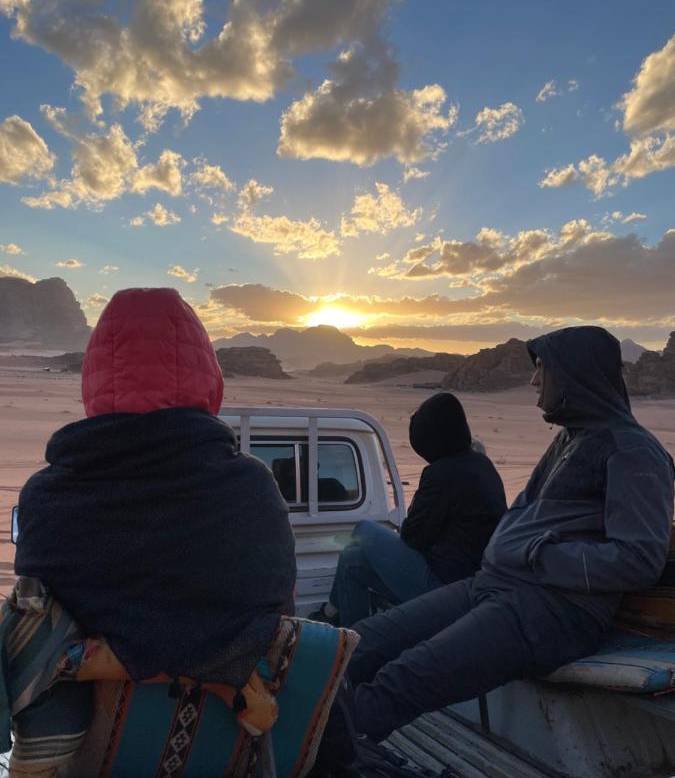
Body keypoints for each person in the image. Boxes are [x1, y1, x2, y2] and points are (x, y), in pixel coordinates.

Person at [348, 326, 675, 742]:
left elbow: (639, 559)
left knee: (402, 680)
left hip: (553, 611)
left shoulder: (632, 452)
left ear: (575, 375)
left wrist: (538, 554)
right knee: (361, 644)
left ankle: (310, 767)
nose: (534, 381)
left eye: (543, 369)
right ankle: (299, 736)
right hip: (495, 586)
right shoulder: (572, 440)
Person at [13, 287, 296, 690]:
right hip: (231, 736)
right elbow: (280, 610)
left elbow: (37, 618)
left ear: (94, 379)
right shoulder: (251, 487)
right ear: (208, 374)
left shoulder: (44, 498)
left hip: (88, 738)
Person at [314, 392, 507, 627]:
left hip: (443, 588)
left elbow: (413, 536)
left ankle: (332, 615)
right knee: (352, 560)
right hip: (470, 583)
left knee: (364, 529)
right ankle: (352, 638)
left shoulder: (442, 473)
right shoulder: (480, 464)